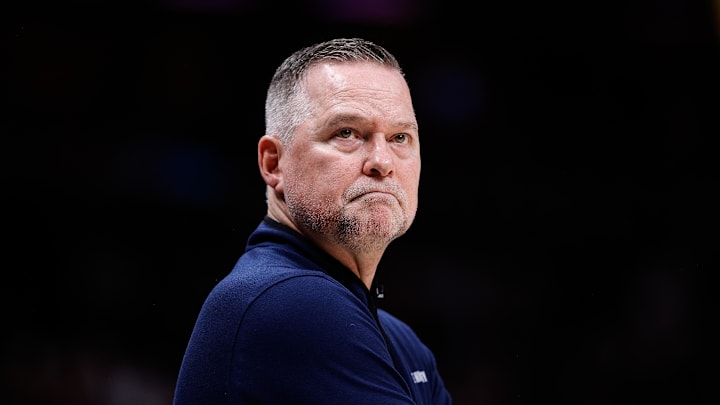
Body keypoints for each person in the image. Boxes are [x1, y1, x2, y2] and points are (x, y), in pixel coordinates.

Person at [173, 37, 452, 404]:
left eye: (400, 137)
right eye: (347, 133)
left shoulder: (401, 342)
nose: (382, 162)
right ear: (274, 163)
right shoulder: (290, 302)